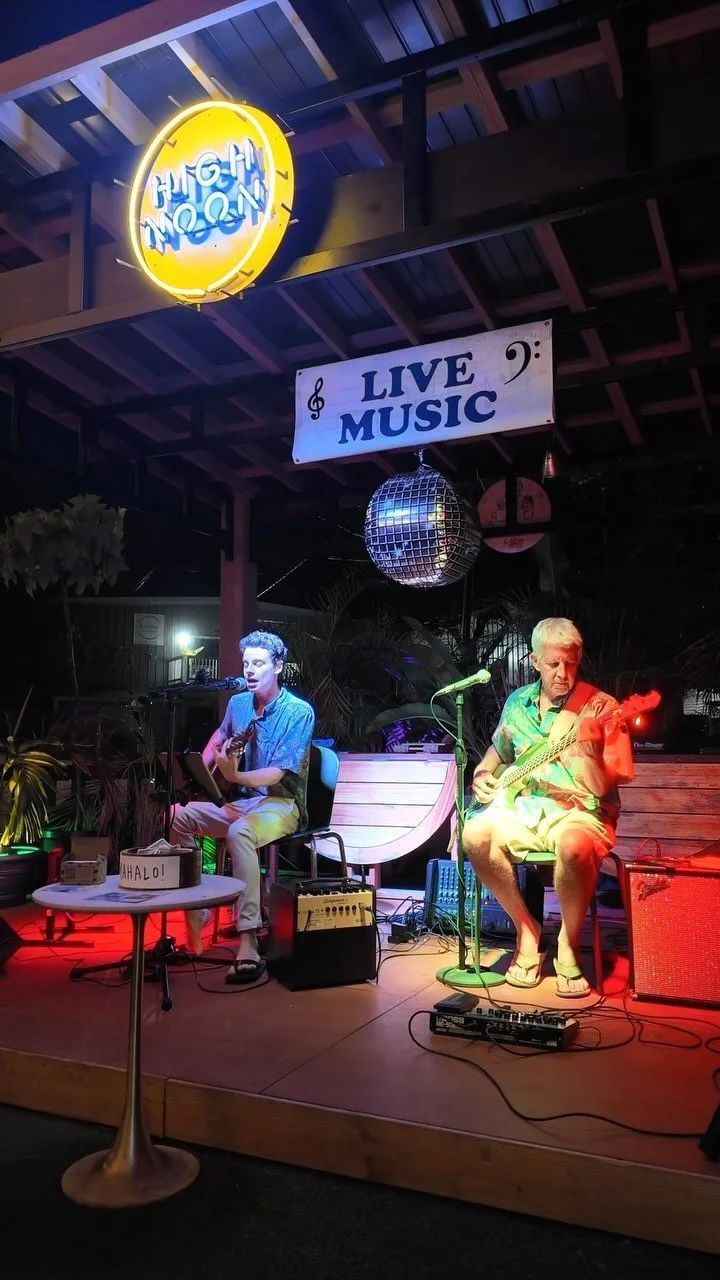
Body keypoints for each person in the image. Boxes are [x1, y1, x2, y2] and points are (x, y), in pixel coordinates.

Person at [463, 617, 633, 998]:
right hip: (525, 809)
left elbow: (607, 785)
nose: (563, 673)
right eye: (553, 664)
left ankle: (568, 942)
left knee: (573, 847)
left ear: (579, 658)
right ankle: (527, 929)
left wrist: (595, 751)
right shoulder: (517, 703)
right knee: (473, 835)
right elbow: (498, 751)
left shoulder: (602, 707)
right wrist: (482, 772)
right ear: (534, 661)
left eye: (570, 663)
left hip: (580, 811)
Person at [171, 630, 314, 984]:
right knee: (177, 816)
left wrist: (235, 774)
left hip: (282, 804)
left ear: (277, 666)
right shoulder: (238, 704)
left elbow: (277, 773)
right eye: (246, 663)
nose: (249, 670)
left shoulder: (298, 712)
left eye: (259, 663)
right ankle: (197, 910)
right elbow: (219, 738)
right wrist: (199, 772)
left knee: (240, 831)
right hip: (247, 803)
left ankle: (248, 938)